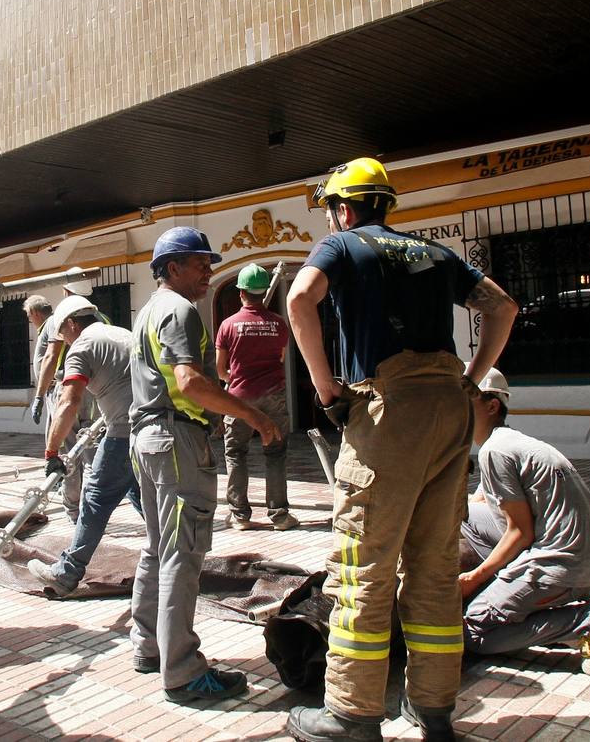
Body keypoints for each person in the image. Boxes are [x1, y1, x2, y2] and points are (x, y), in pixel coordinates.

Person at [285, 157, 518, 742]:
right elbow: (503, 307)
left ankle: (352, 714)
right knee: (435, 566)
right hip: (449, 411)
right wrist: (472, 377)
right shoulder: (435, 254)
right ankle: (434, 711)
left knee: (365, 565)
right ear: (385, 203)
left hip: (389, 409)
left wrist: (323, 388)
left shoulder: (341, 248)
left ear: (343, 206)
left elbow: (299, 300)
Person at [129, 227, 283, 703]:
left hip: (150, 438)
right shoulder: (179, 311)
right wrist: (252, 414)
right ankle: (183, 671)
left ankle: (149, 646)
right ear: (173, 267)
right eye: (200, 264)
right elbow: (190, 381)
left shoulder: (149, 310)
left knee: (159, 547)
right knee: (183, 553)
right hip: (175, 443)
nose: (208, 272)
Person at [460, 368, 590, 676]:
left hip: (565, 569)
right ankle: (510, 594)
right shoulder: (509, 443)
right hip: (584, 562)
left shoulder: (496, 452)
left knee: (473, 632)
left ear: (492, 405)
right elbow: (475, 507)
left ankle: (587, 622)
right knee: (462, 515)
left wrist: (473, 579)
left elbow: (520, 532)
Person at [27, 295, 142, 596]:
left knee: (93, 500)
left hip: (122, 433)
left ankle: (66, 573)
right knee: (143, 497)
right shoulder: (123, 334)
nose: (62, 340)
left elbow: (69, 402)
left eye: (61, 333)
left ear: (71, 324)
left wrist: (51, 452)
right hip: (151, 432)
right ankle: (177, 558)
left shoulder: (81, 346)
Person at [215, 263, 298, 532]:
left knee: (236, 452)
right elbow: (281, 358)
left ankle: (240, 515)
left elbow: (219, 369)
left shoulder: (228, 325)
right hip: (273, 396)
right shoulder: (279, 323)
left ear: (241, 293)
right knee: (275, 453)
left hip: (238, 398)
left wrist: (234, 379)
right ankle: (280, 515)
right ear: (264, 294)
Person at [31, 273, 100, 523]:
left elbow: (50, 357)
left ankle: (74, 512)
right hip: (95, 394)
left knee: (70, 452)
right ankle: (93, 511)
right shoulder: (99, 317)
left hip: (67, 389)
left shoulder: (62, 317)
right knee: (92, 452)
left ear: (65, 290)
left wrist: (39, 396)